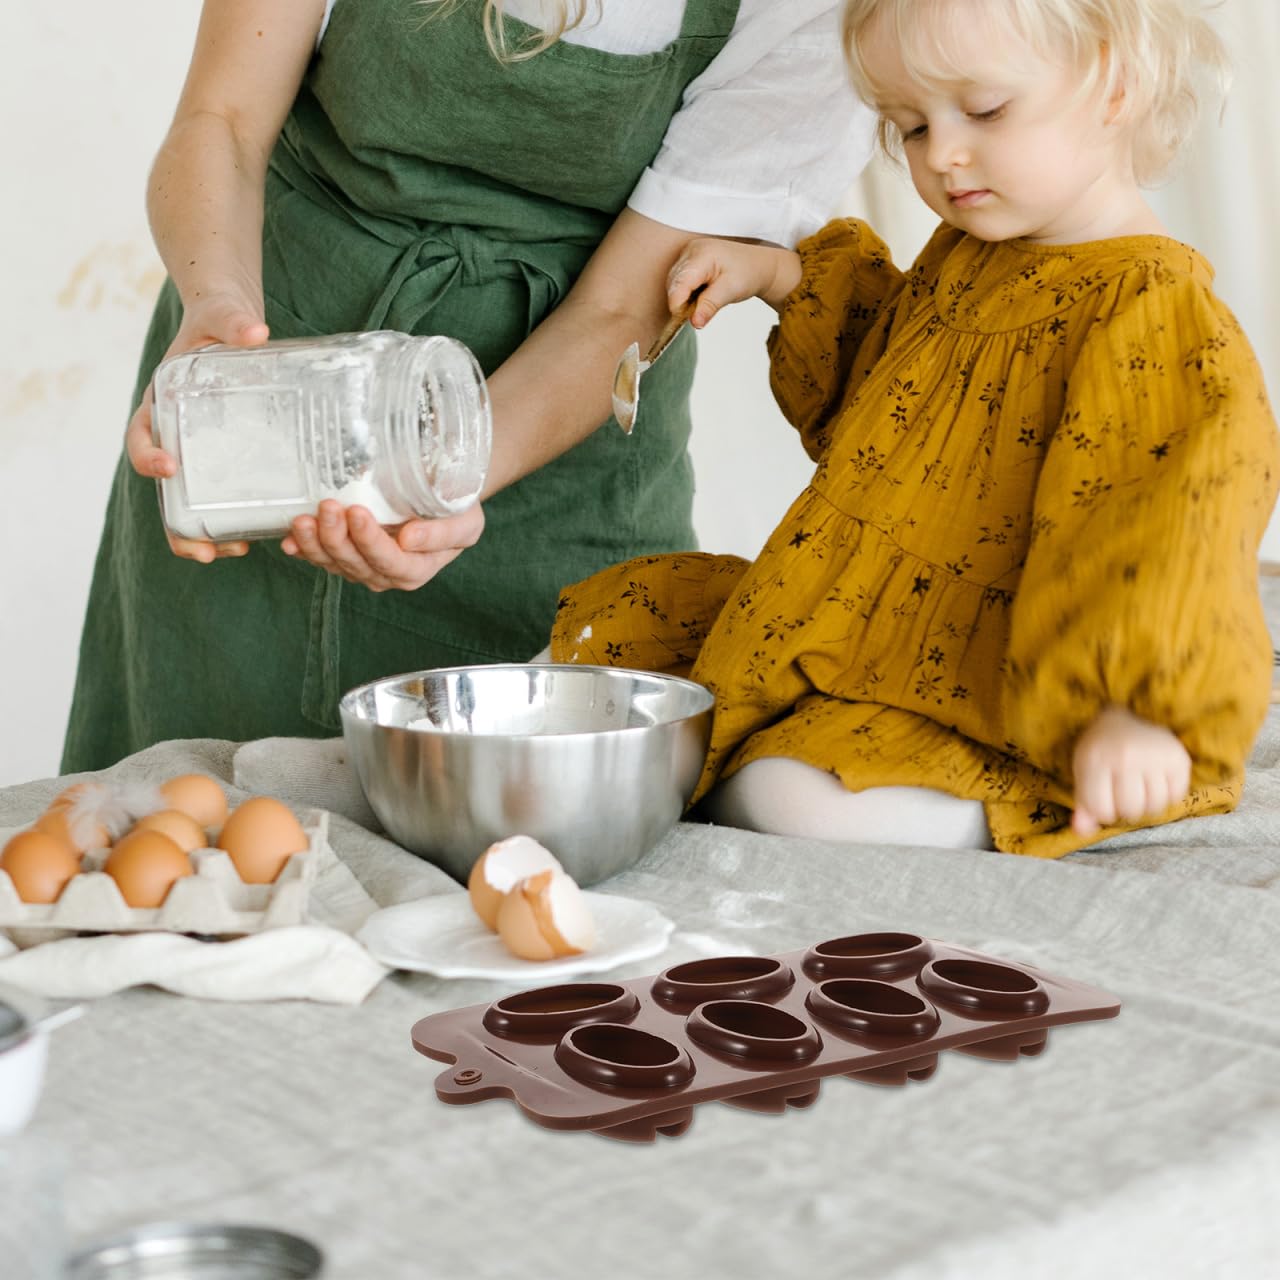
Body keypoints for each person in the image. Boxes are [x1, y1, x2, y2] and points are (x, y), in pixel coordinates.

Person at [61, 0, 875, 772]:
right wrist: (216, 310)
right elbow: (223, 121)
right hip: (267, 395)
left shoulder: (820, 13)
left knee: (522, 875)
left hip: (561, 467)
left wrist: (449, 475)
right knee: (179, 850)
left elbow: (621, 307)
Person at [547, 0, 1280, 858]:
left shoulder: (1154, 317)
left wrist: (1133, 709)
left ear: (1115, 86)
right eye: (910, 128)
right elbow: (890, 408)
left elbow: (1167, 531)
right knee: (611, 649)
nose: (944, 156)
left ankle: (1055, 788)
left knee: (792, 799)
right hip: (878, 622)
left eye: (985, 111)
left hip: (1012, 682)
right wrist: (780, 276)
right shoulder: (974, 250)